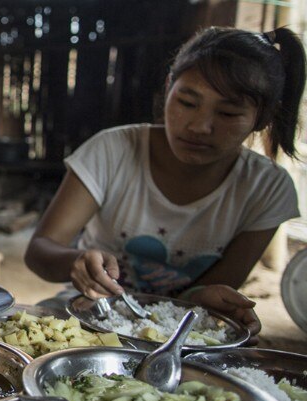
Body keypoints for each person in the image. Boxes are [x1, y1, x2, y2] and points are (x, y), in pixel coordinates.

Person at [25, 26, 305, 337]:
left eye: (227, 113)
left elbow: (210, 292)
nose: (200, 126)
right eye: (187, 102)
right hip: (91, 313)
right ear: (169, 86)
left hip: (184, 330)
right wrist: (74, 262)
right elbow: (39, 252)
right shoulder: (112, 151)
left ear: (263, 117)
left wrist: (203, 299)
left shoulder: (267, 188)